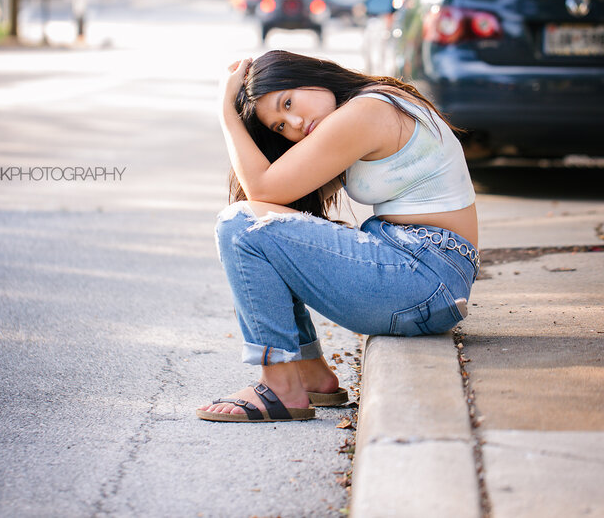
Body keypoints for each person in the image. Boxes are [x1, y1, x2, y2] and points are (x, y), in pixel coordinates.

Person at [197, 50, 479, 423]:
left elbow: (263, 188)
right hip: (427, 276)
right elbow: (277, 208)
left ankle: (280, 386)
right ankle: (312, 375)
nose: (295, 123)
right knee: (266, 230)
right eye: (280, 126)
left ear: (309, 74)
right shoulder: (366, 106)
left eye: (288, 102)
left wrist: (225, 112)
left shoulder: (368, 111)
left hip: (422, 275)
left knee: (240, 226)